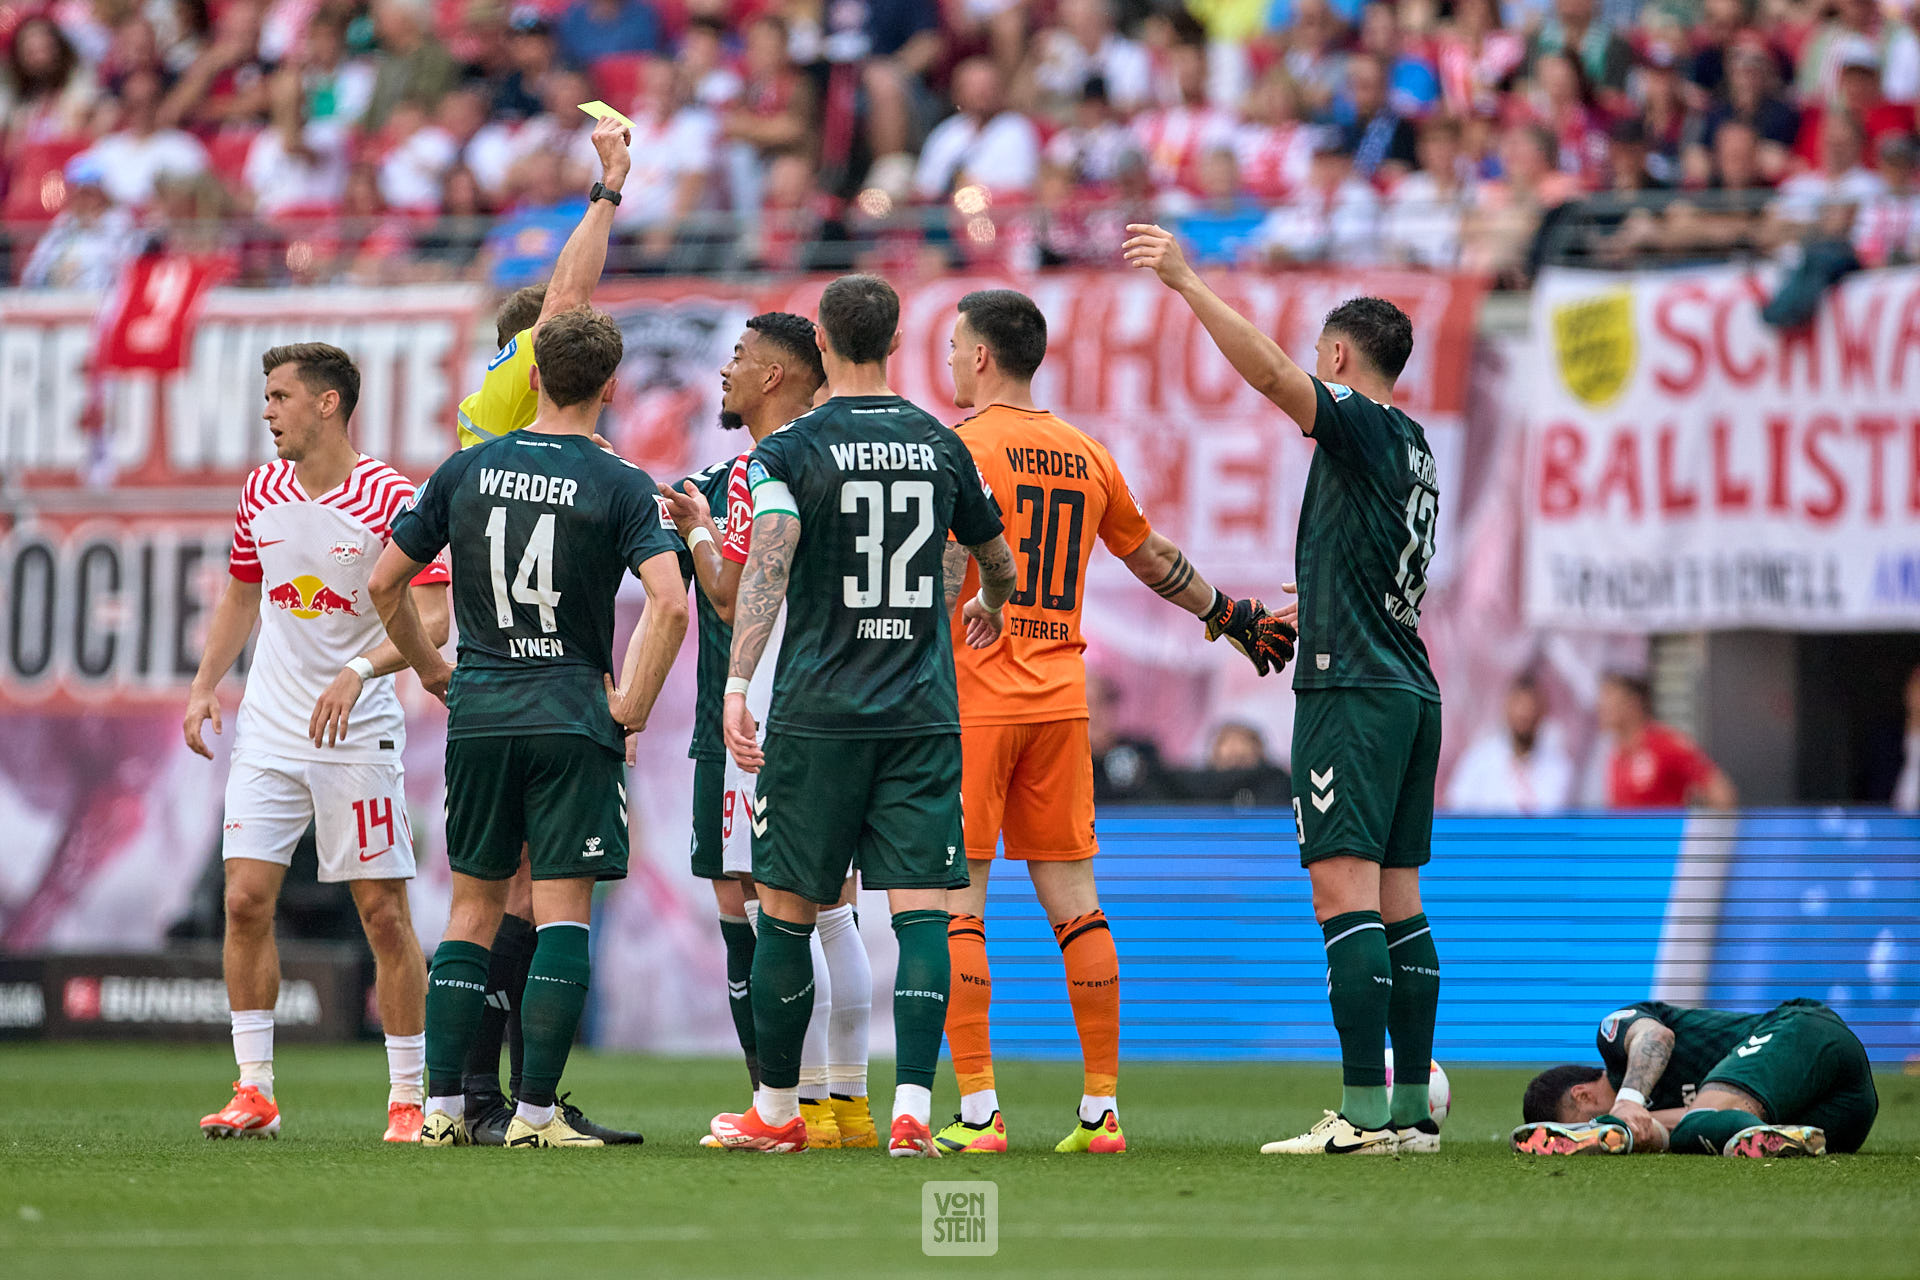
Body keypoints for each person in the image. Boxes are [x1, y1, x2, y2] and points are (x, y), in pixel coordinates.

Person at [930, 288, 1289, 1156]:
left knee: (957, 904)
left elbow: (947, 575)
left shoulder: (956, 450)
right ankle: (1100, 1113)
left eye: (952, 346)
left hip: (975, 698)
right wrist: (1231, 617)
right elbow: (1154, 557)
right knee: (1077, 907)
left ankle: (979, 1113)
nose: (947, 360)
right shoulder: (1086, 455)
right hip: (1061, 700)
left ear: (981, 357)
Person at [1126, 225, 1445, 1156]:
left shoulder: (1362, 419)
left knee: (1341, 900)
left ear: (1340, 358)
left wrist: (1188, 283)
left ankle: (1361, 1115)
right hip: (1406, 685)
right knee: (1399, 901)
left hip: (1352, 692)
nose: (1311, 371)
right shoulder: (1415, 445)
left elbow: (1267, 377)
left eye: (1319, 359)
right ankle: (1412, 1115)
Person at [708, 274, 1017, 1157]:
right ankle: (914, 1107)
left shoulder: (791, 450)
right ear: (894, 338)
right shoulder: (940, 442)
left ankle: (775, 1111)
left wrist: (737, 683)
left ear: (824, 339)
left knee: (788, 911)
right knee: (924, 912)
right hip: (920, 711)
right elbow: (996, 555)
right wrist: (987, 599)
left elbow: (769, 557)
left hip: (819, 713)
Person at [371, 305, 689, 1149]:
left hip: (482, 706)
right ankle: (536, 1117)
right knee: (562, 915)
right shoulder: (621, 481)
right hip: (570, 710)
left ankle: (439, 1113)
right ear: (612, 387)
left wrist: (436, 671)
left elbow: (383, 584)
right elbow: (669, 601)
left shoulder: (467, 469)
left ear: (534, 376)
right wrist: (633, 708)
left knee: (469, 911)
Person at [182, 343, 451, 1144]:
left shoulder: (388, 498)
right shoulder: (261, 490)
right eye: (266, 397)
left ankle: (408, 1096)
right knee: (242, 901)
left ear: (327, 404)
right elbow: (241, 594)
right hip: (269, 728)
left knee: (382, 913)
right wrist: (204, 685)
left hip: (357, 731)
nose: (267, 411)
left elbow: (433, 623)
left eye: (280, 395)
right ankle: (254, 1089)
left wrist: (361, 670)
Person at [446, 116, 645, 1146]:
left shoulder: (488, 433)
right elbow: (567, 303)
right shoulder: (512, 398)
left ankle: (490, 1098)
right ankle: (493, 1098)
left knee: (506, 888)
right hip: (541, 683)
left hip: (489, 677)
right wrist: (607, 191)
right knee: (520, 891)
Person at [657, 314, 880, 1150]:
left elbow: (728, 594)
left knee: (772, 914)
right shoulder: (844, 456)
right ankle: (842, 1105)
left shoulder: (765, 469)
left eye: (741, 359)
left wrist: (698, 530)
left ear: (777, 376)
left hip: (765, 713)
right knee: (835, 910)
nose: (726, 372)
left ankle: (784, 1104)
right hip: (848, 705)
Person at [1512, 998, 1878, 1158]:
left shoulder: (1613, 1036)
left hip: (1805, 1033)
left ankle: (1760, 1135)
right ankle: (1780, 1139)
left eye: (1587, 1126)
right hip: (1844, 1113)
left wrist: (1628, 1101)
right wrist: (1639, 1132)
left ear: (1582, 1096)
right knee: (1691, 1131)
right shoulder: (1653, 1115)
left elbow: (1657, 1037)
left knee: (1699, 1121)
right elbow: (1676, 1128)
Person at [1596, 673, 1737, 810]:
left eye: (1609, 697)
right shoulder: (1616, 753)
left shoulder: (1665, 744)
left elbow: (1720, 793)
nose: (1602, 707)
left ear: (1633, 702)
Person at [1444, 673, 1573, 812]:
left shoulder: (1559, 765)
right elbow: (1456, 809)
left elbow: (1555, 819)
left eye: (1530, 708)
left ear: (1542, 713)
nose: (1525, 714)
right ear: (1507, 708)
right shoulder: (1479, 759)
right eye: (1519, 706)